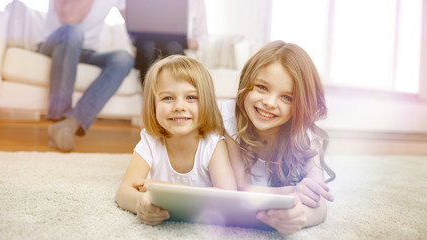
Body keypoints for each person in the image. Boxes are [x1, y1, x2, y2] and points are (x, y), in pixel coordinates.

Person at [219, 40, 336, 235]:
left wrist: (299, 216)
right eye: (262, 88)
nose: (269, 103)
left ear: (301, 105)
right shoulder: (231, 118)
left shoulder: (305, 134)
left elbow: (319, 205)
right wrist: (292, 192)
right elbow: (239, 189)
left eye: (287, 97)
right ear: (247, 83)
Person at [115, 55, 237, 225]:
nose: (179, 107)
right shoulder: (151, 141)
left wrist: (166, 188)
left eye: (191, 97)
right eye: (168, 98)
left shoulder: (213, 144)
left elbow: (228, 196)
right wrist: (140, 204)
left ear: (207, 102)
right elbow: (123, 192)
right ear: (153, 105)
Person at [37, 0, 135, 152]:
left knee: (123, 58)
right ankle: (59, 117)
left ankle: (68, 124)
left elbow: (132, 23)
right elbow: (68, 18)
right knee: (73, 32)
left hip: (87, 52)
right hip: (57, 43)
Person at [132, 0, 208, 83]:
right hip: (147, 43)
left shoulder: (196, 2)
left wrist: (189, 42)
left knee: (172, 47)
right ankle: (150, 94)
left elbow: (203, 39)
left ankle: (173, 92)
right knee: (148, 47)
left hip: (178, 44)